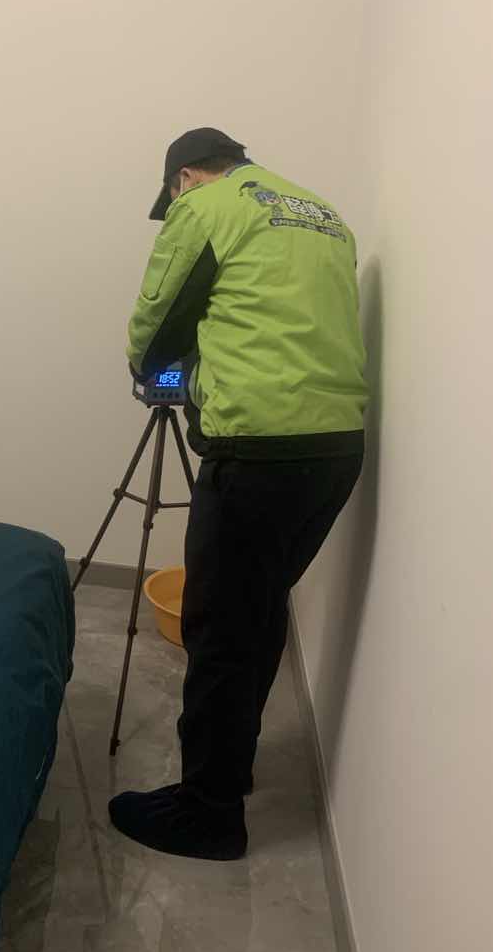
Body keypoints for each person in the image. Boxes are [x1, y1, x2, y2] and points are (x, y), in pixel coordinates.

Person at [109, 127, 369, 861]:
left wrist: (157, 371)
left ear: (187, 178)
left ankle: (209, 813)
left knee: (220, 629)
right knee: (259, 613)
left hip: (258, 446)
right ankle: (231, 769)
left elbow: (155, 330)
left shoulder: (207, 206)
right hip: (335, 445)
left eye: (173, 197)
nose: (175, 206)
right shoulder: (323, 213)